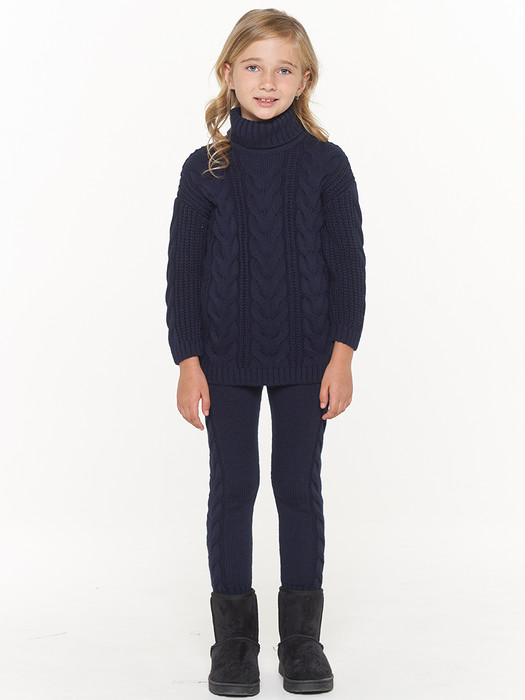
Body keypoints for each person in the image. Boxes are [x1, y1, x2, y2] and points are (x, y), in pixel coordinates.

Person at [165, 8, 366, 696]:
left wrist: (342, 355)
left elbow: (347, 264)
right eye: (253, 67)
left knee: (296, 487)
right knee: (233, 488)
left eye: (284, 69)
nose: (268, 81)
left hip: (307, 359)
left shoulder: (326, 165)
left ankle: (301, 641)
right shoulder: (204, 168)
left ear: (305, 79)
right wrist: (188, 361)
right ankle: (234, 643)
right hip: (222, 359)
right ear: (228, 74)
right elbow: (184, 271)